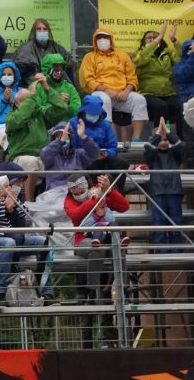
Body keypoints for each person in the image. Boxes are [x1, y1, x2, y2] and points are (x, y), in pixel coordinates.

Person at [0, 165, 53, 303]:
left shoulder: (17, 199)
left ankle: (46, 291)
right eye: (17, 182)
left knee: (44, 241)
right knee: (9, 243)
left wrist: (12, 210)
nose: (20, 185)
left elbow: (20, 227)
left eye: (22, 182)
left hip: (15, 239)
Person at [64, 172, 130, 303]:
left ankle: (121, 282)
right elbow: (75, 215)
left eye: (81, 192)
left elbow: (124, 207)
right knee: (97, 250)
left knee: (117, 248)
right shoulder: (69, 200)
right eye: (75, 194)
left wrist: (109, 191)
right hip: (83, 240)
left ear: (87, 186)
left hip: (107, 236)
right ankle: (92, 289)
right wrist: (94, 200)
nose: (78, 196)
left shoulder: (99, 191)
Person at [79, 27, 147, 141]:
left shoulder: (123, 56)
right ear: (95, 40)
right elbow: (87, 79)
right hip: (102, 92)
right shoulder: (89, 57)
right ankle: (110, 139)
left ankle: (136, 140)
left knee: (140, 100)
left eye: (105, 37)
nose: (102, 40)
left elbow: (132, 77)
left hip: (122, 94)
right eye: (99, 38)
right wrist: (105, 90)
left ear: (111, 39)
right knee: (103, 100)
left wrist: (127, 91)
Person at [6, 79, 68, 198]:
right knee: (31, 162)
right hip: (21, 157)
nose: (31, 102)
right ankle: (29, 203)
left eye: (32, 99)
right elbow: (21, 118)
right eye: (27, 100)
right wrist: (32, 98)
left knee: (62, 162)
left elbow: (61, 109)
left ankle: (57, 201)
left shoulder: (40, 114)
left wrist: (47, 89)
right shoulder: (11, 118)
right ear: (17, 103)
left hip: (43, 156)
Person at [69, 95, 130, 193]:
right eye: (90, 113)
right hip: (83, 160)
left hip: (102, 159)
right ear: (83, 111)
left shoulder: (105, 124)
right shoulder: (73, 123)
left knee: (122, 163)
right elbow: (71, 147)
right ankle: (95, 193)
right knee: (92, 165)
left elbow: (112, 146)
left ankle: (116, 193)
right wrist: (87, 153)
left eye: (96, 114)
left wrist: (107, 153)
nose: (93, 116)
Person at [144, 118, 185, 249]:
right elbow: (148, 148)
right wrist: (158, 134)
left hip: (174, 192)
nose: (163, 142)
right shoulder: (152, 156)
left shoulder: (175, 154)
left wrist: (168, 133)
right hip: (157, 192)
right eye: (161, 140)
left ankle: (177, 253)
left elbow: (181, 146)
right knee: (159, 224)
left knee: (176, 223)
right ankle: (161, 252)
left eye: (166, 140)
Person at [134, 23, 182, 129]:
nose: (152, 39)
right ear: (143, 41)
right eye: (149, 38)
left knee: (180, 106)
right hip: (148, 93)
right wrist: (157, 40)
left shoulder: (167, 52)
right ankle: (157, 139)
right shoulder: (140, 53)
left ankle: (181, 141)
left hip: (167, 92)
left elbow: (180, 61)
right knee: (161, 106)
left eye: (155, 37)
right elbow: (140, 60)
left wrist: (174, 40)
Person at [40, 121, 100, 190]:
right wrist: (60, 142)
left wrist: (84, 137)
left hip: (77, 192)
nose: (62, 138)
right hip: (55, 193)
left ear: (71, 138)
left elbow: (95, 153)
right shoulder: (51, 156)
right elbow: (44, 155)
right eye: (58, 136)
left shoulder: (79, 154)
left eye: (64, 135)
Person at [13, 18, 74, 84]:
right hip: (34, 87)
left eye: (45, 29)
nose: (42, 31)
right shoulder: (25, 49)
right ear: (34, 31)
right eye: (39, 29)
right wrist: (35, 77)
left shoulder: (56, 47)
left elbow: (69, 63)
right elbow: (18, 70)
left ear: (48, 31)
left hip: (55, 85)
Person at [38, 53, 80, 125]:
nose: (59, 71)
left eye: (61, 68)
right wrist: (57, 103)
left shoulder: (69, 87)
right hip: (44, 128)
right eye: (56, 68)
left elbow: (77, 111)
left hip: (66, 128)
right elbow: (36, 111)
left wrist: (68, 104)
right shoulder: (38, 87)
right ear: (47, 69)